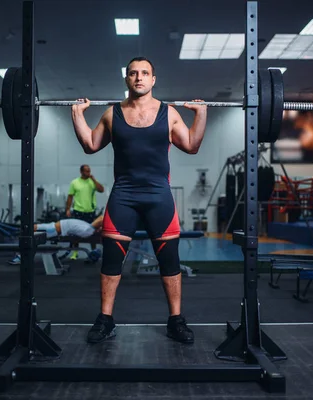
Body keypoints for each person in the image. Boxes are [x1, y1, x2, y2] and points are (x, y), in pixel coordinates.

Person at [71, 56, 207, 344]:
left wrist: (201, 113)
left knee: (170, 260)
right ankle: (105, 319)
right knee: (110, 260)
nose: (139, 78)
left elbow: (192, 146)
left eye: (145, 73)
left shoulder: (169, 114)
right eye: (133, 73)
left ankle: (176, 321)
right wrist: (77, 114)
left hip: (159, 196)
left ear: (154, 79)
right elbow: (90, 145)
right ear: (127, 79)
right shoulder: (112, 114)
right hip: (124, 196)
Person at [7, 215, 104, 265]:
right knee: (27, 232)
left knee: (28, 231)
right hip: (53, 227)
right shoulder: (88, 228)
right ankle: (22, 256)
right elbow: (101, 219)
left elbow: (101, 219)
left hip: (52, 230)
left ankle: (21, 257)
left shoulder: (88, 231)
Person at [66, 165, 104, 258]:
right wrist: (67, 209)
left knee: (92, 233)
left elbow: (101, 190)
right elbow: (70, 197)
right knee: (76, 233)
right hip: (78, 211)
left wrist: (94, 180)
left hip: (90, 211)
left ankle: (93, 251)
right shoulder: (74, 182)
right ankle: (75, 253)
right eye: (86, 171)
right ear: (81, 172)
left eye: (89, 171)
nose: (88, 173)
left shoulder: (92, 182)